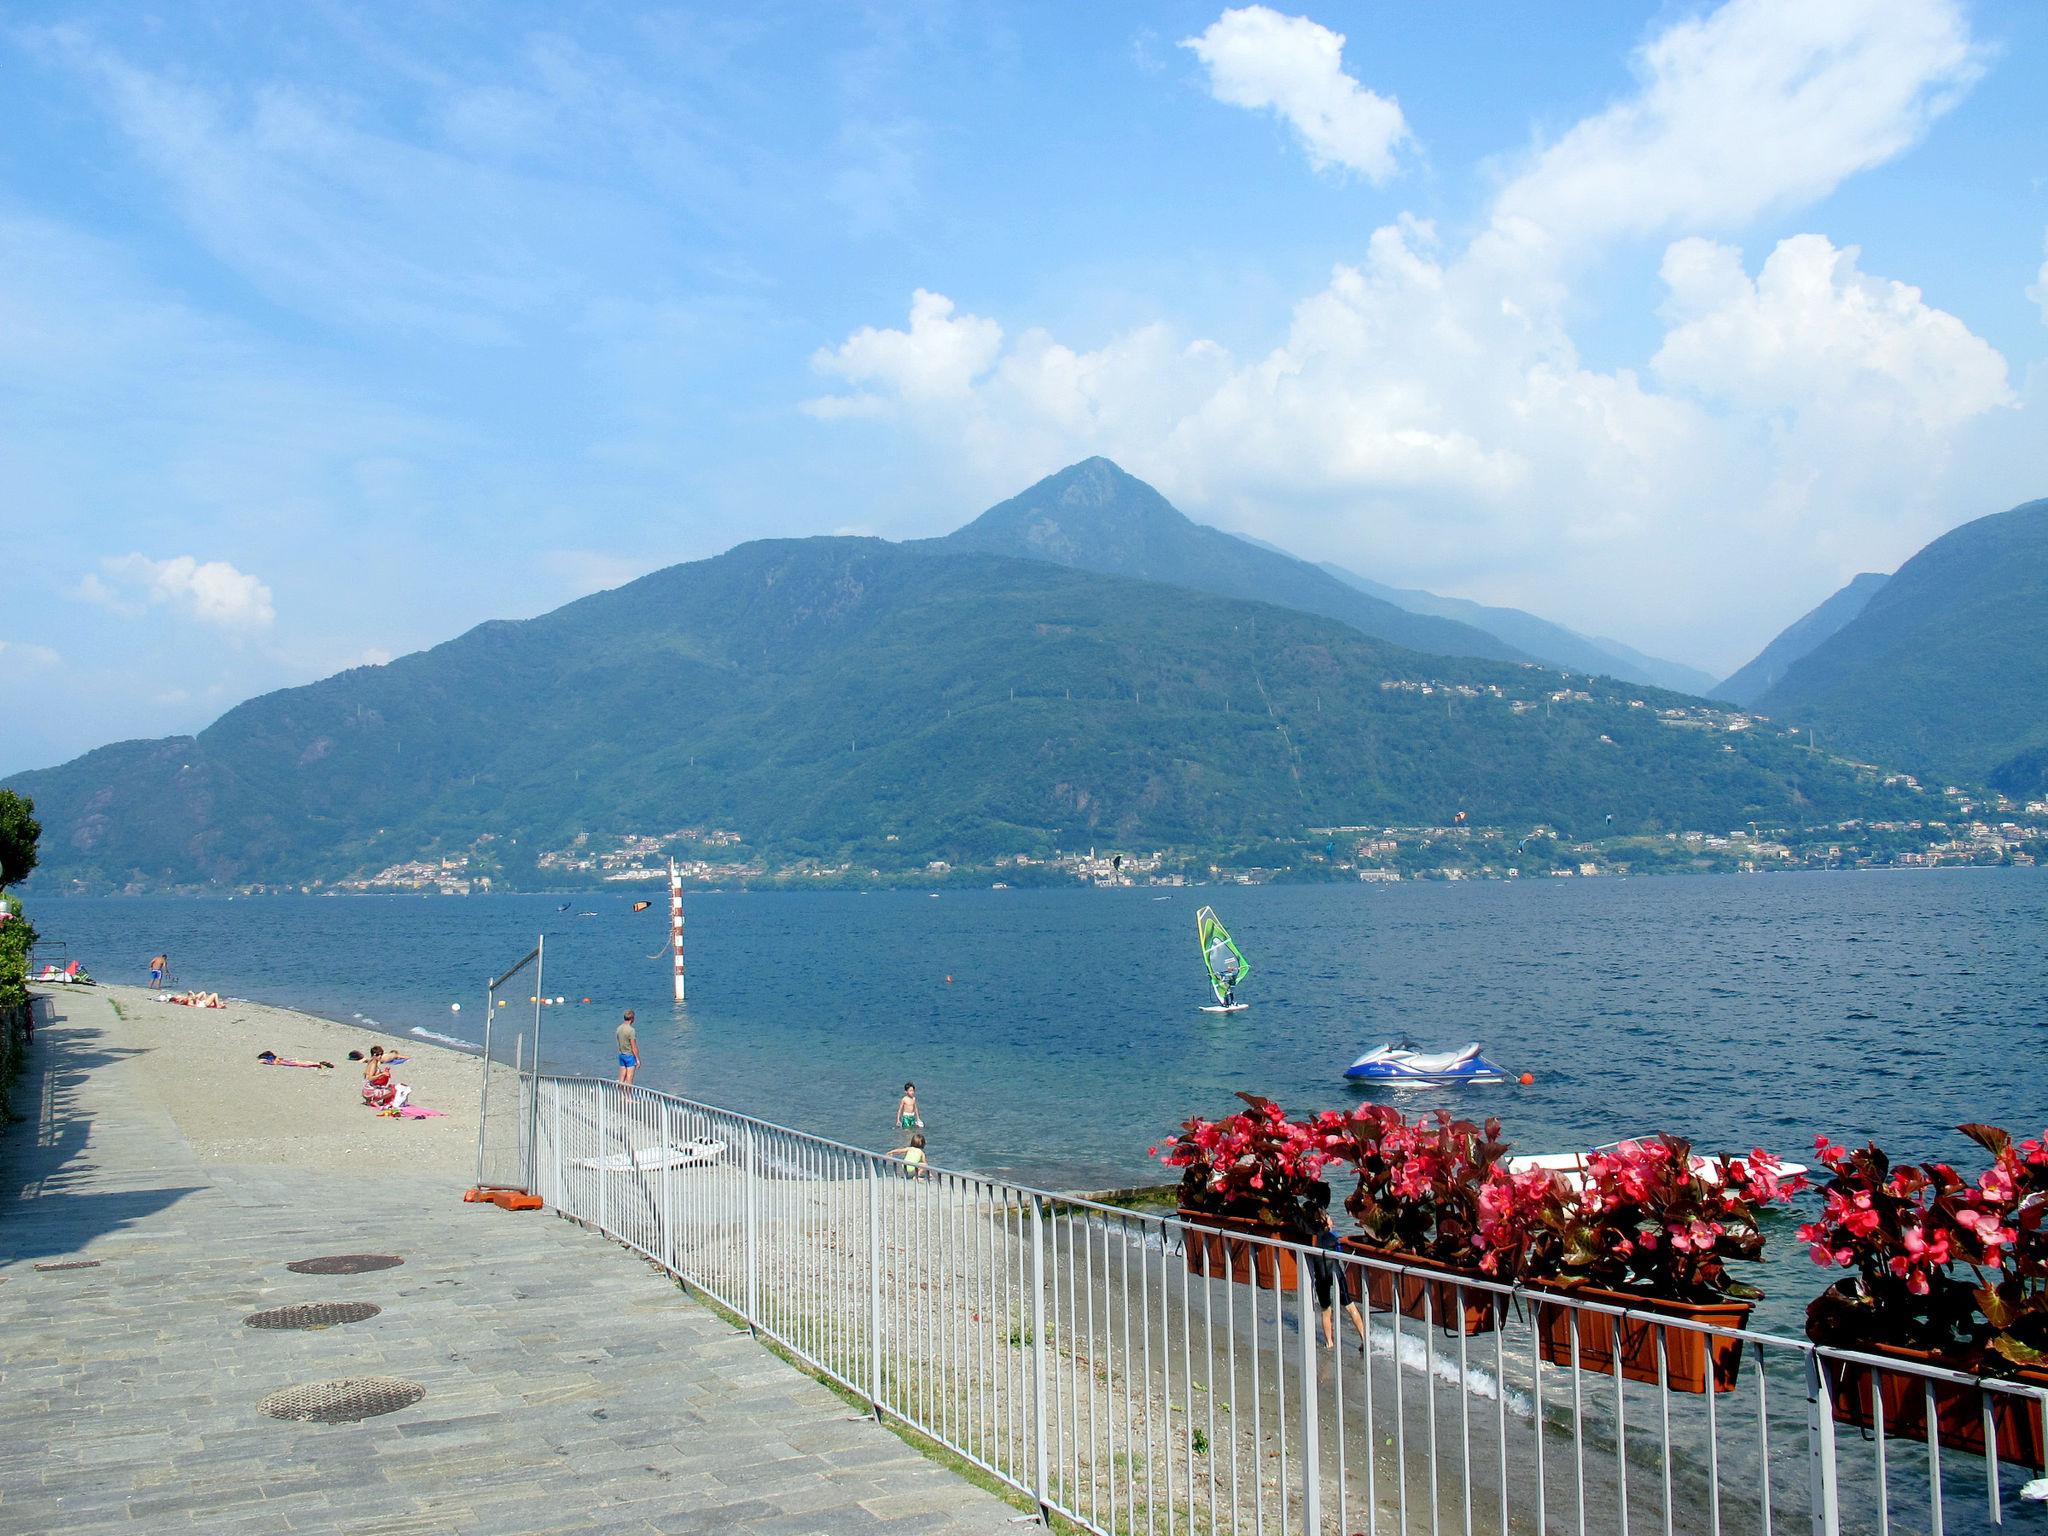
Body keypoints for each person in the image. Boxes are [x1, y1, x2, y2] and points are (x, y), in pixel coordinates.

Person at [1308, 1194, 1368, 1351]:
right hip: (1335, 1271)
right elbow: (1341, 1250)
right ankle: (1364, 1339)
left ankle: (1329, 1343)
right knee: (1349, 1305)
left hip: (1321, 1274)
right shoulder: (1333, 1237)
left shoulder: (1312, 1238)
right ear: (1326, 1221)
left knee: (1326, 1309)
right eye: (1330, 1218)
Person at [616, 1010, 639, 1091]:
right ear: (632, 1018)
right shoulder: (631, 1030)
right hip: (629, 1055)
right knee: (629, 1077)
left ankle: (620, 1095)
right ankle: (628, 1097)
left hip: (621, 1054)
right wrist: (637, 1059)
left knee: (622, 1077)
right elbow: (633, 1046)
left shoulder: (619, 1028)